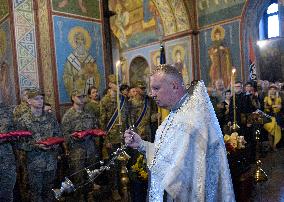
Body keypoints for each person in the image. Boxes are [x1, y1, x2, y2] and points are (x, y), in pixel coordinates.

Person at [124, 64, 235, 201]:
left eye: (156, 88)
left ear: (175, 86)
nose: (152, 94)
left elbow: (179, 175)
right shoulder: (174, 114)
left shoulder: (191, 121)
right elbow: (167, 156)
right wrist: (141, 144)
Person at [17, 89, 62, 202]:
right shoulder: (23, 120)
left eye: (41, 98)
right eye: (36, 99)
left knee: (49, 191)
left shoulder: (50, 117)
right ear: (29, 101)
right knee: (35, 193)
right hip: (34, 163)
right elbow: (19, 143)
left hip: (51, 161)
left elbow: (58, 135)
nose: (40, 101)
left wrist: (53, 145)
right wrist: (35, 146)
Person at [61, 89, 99, 202]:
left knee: (90, 174)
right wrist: (74, 136)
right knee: (78, 177)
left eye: (83, 96)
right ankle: (80, 198)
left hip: (90, 149)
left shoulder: (89, 112)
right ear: (73, 97)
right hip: (77, 150)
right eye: (79, 97)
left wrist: (94, 133)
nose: (82, 99)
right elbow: (64, 135)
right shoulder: (68, 115)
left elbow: (95, 127)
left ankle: (90, 195)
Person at [0, 100, 17, 202]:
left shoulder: (7, 110)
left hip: (6, 158)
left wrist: (8, 137)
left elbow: (15, 132)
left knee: (7, 192)